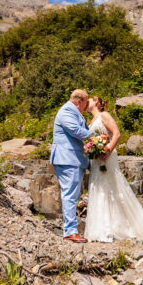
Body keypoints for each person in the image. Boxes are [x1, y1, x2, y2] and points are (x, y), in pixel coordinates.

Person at [84, 96, 143, 242]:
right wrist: (91, 149)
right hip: (96, 159)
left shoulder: (104, 115)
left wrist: (108, 150)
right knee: (98, 187)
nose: (87, 103)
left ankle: (120, 227)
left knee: (113, 185)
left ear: (97, 102)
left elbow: (116, 133)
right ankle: (102, 228)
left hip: (107, 155)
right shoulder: (90, 121)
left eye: (90, 100)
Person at [50, 89, 93, 243]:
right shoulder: (66, 111)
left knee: (73, 195)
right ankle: (70, 231)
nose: (86, 106)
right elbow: (76, 131)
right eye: (86, 102)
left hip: (74, 159)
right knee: (69, 194)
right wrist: (96, 135)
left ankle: (71, 230)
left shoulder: (74, 112)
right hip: (67, 158)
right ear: (79, 101)